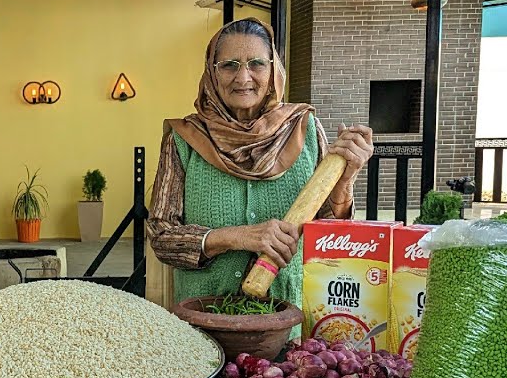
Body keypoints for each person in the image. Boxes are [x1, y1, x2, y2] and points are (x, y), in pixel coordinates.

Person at [148, 17, 373, 309]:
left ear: (273, 71)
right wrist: (238, 237)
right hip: (205, 318)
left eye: (256, 64)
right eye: (229, 65)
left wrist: (345, 180)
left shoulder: (304, 129)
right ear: (212, 74)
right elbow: (162, 237)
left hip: (289, 317)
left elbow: (330, 236)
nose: (243, 78)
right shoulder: (185, 140)